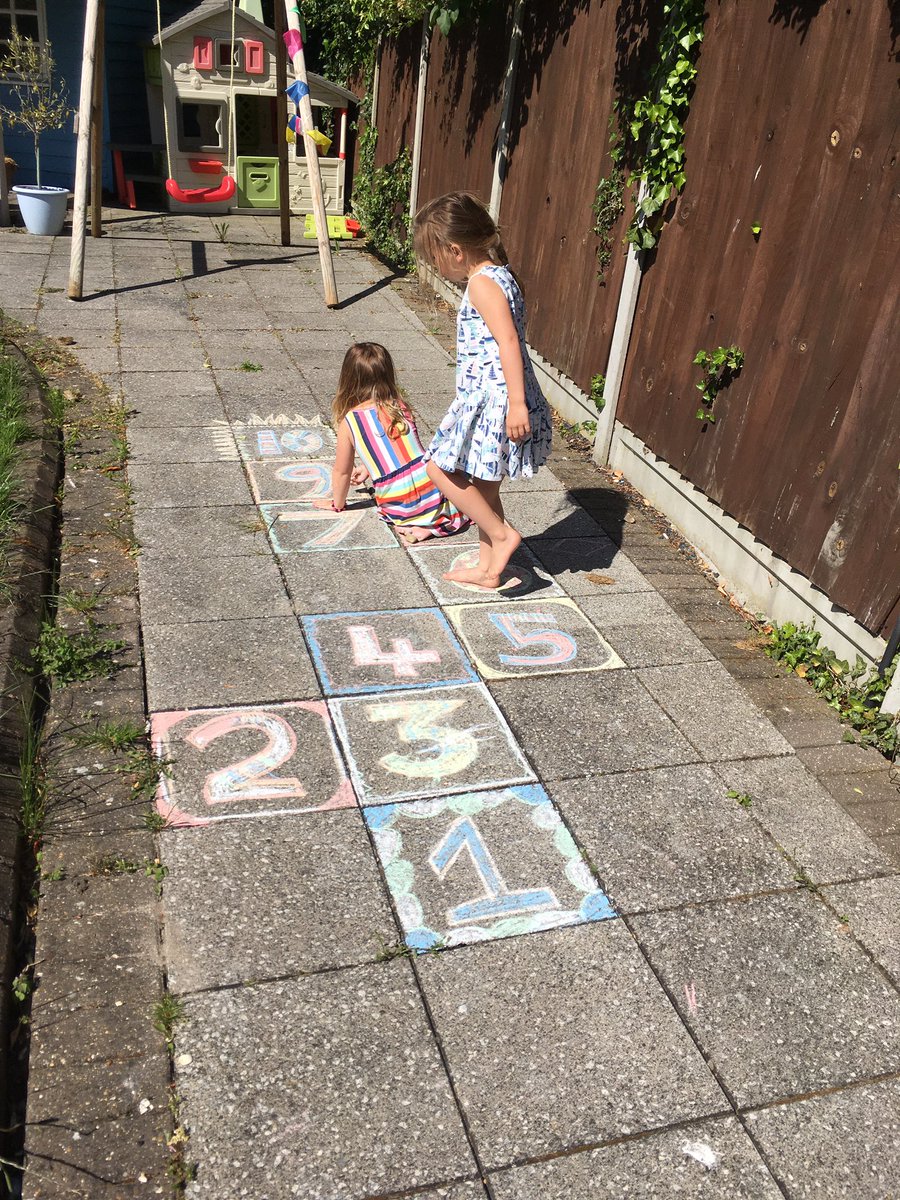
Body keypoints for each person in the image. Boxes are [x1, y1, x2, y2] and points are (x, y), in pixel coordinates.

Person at [412, 191, 553, 589]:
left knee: (438, 467)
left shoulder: (481, 284)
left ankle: (503, 536)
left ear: (455, 250)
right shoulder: (500, 275)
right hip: (496, 396)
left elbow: (508, 342)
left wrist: (517, 405)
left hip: (493, 400)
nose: (436, 265)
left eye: (435, 257)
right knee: (485, 486)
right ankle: (490, 569)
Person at [317, 342, 470, 544]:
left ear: (348, 379)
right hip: (432, 487)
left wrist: (337, 504)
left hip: (397, 502)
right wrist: (368, 467)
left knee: (408, 500)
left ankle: (420, 525)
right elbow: (402, 453)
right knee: (462, 482)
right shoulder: (399, 406)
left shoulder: (350, 421)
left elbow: (342, 472)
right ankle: (432, 525)